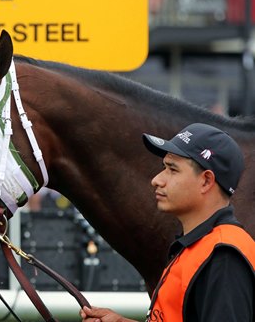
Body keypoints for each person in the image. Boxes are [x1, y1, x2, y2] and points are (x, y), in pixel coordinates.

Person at [80, 123, 254, 322]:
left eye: (172, 169)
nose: (157, 180)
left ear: (206, 181)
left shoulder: (223, 256)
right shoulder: (202, 246)